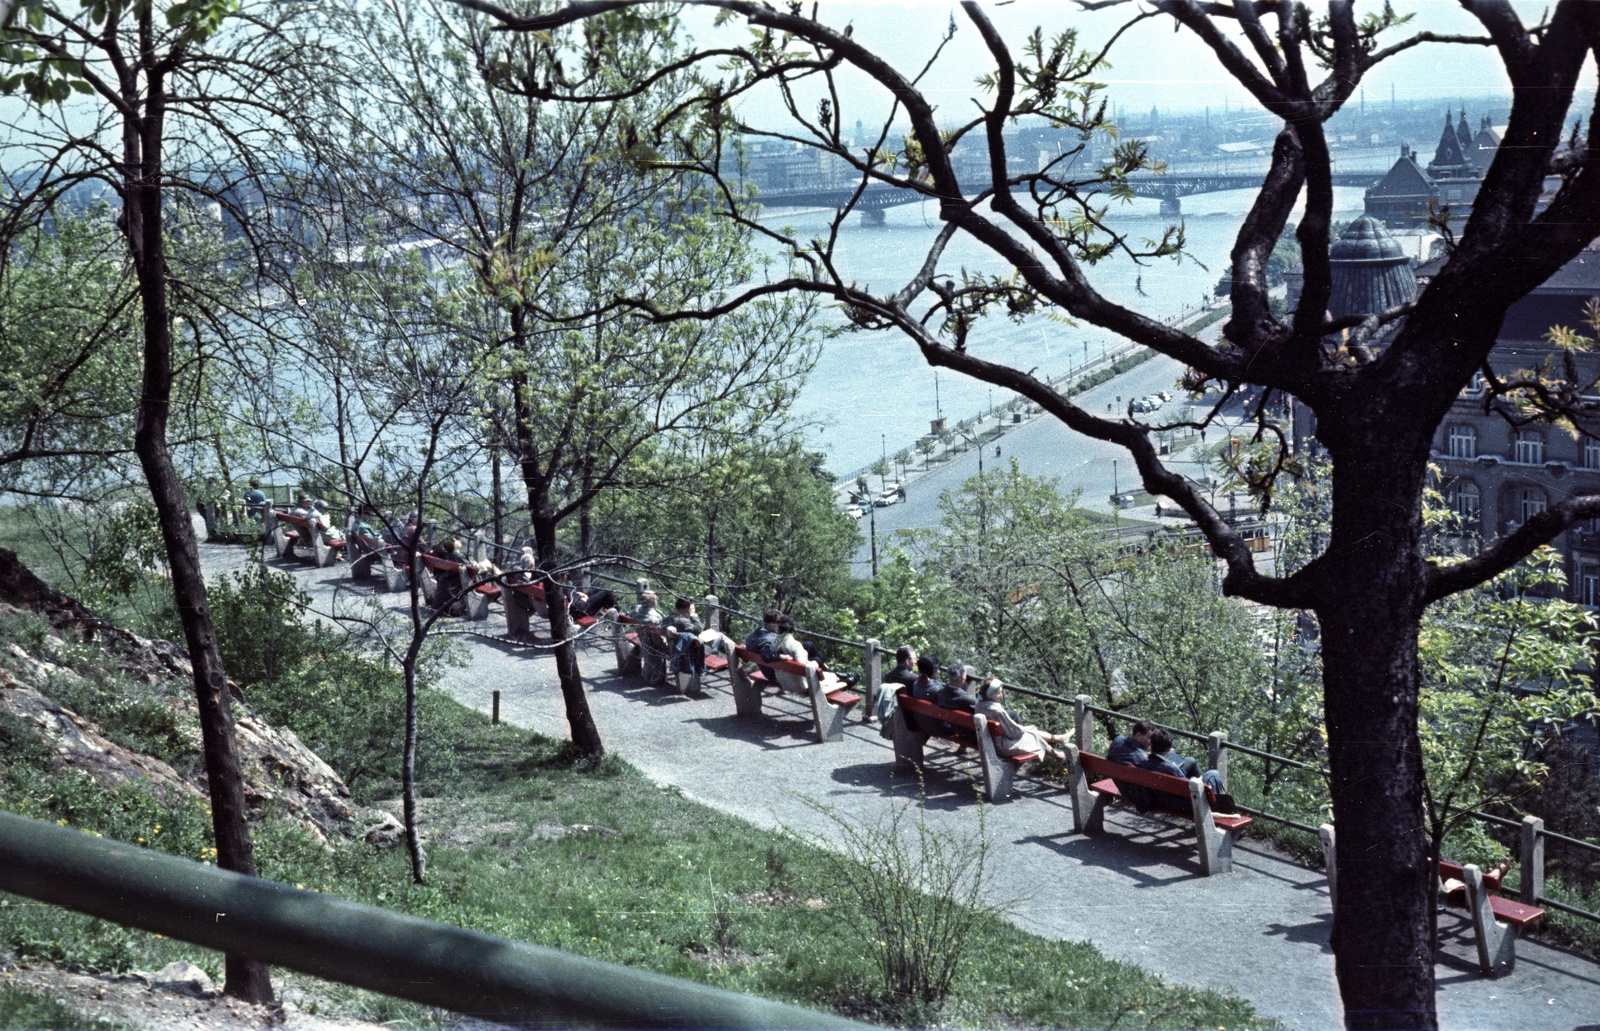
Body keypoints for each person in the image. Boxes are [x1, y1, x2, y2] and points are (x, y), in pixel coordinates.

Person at [1139, 728, 1235, 814]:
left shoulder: (1144, 764)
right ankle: (1220, 809)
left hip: (1162, 800)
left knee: (1190, 760)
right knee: (1213, 774)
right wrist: (1200, 780)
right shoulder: (1171, 769)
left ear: (1152, 745)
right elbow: (1187, 787)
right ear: (1168, 749)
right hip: (1183, 805)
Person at [976, 679, 1067, 760]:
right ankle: (1058, 754)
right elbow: (1015, 733)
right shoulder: (998, 711)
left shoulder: (979, 705)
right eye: (999, 693)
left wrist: (1022, 728)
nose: (1002, 695)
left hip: (990, 743)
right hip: (1002, 747)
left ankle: (1058, 739)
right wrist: (1022, 729)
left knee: (1029, 730)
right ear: (990, 695)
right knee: (1033, 734)